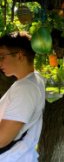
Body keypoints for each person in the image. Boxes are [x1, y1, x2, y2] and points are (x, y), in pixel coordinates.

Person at [0, 32, 45, 162]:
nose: (0, 62)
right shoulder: (33, 79)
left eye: (2, 56)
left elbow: (2, 138)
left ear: (20, 56)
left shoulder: (26, 88)